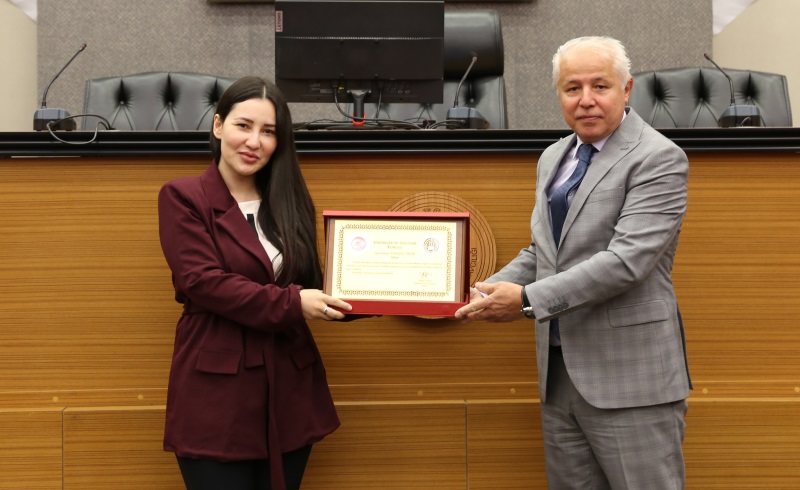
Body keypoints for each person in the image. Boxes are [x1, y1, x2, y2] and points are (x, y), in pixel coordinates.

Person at [455, 37, 692, 489]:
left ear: (626, 89)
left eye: (599, 86)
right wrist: (479, 291)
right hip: (559, 375)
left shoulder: (658, 157)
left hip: (631, 379)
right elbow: (543, 252)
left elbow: (626, 261)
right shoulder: (554, 156)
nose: (585, 100)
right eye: (572, 88)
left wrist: (527, 300)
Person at [158, 76, 352, 490]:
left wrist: (394, 292)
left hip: (290, 388)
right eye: (243, 126)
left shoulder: (289, 200)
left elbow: (315, 284)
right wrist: (295, 303)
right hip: (218, 394)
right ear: (218, 126)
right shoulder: (183, 197)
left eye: (268, 132)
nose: (254, 141)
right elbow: (204, 282)